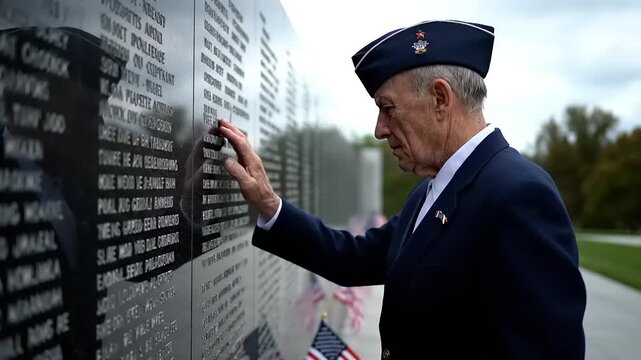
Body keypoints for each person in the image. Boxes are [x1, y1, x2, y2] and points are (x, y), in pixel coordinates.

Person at [219, 20, 586, 359]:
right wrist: (269, 205)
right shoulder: (432, 190)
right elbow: (356, 259)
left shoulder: (517, 194)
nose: (380, 129)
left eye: (387, 108)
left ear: (440, 99)